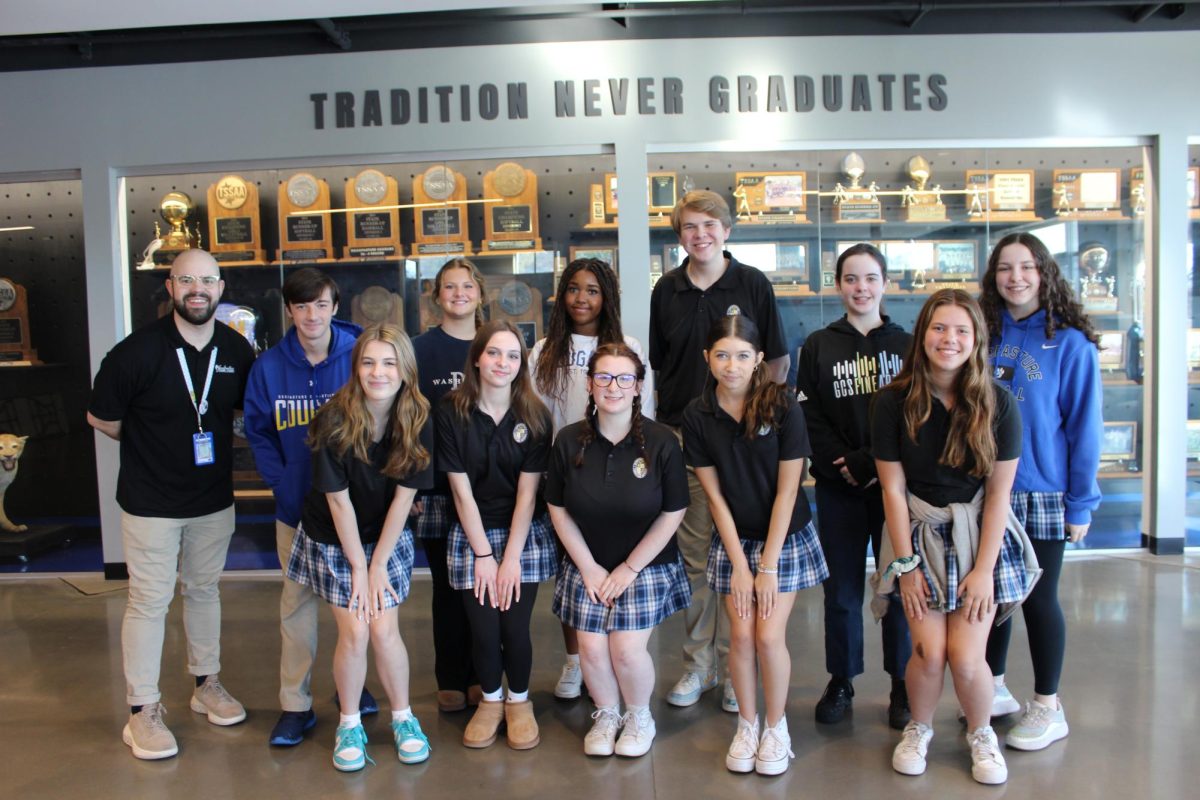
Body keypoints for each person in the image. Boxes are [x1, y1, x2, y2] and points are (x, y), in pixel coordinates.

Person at [87, 249, 256, 760]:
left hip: (211, 500)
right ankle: (142, 712)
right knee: (149, 602)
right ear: (170, 287)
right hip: (150, 503)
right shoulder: (133, 353)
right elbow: (103, 419)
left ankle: (207, 685)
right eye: (187, 280)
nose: (197, 289)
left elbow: (243, 414)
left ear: (221, 288)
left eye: (207, 280)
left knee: (204, 591)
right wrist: (151, 446)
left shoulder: (237, 350)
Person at [870, 288, 1039, 786]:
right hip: (917, 534)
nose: (949, 339)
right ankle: (918, 729)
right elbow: (892, 489)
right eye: (939, 328)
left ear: (977, 339)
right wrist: (905, 568)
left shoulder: (999, 403)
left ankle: (981, 733)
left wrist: (983, 571)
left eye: (961, 330)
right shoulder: (892, 401)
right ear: (922, 335)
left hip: (976, 536)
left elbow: (999, 495)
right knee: (929, 651)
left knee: (967, 657)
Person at [649, 189, 789, 712]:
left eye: (710, 225)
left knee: (740, 555)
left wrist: (761, 420)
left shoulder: (751, 283)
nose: (700, 235)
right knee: (694, 556)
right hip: (687, 438)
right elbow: (663, 367)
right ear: (679, 234)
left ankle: (736, 666)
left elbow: (775, 360)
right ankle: (698, 665)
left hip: (743, 439)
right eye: (689, 227)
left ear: (727, 230)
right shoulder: (667, 288)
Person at [285, 323, 433, 771]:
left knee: (385, 629)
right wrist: (359, 569)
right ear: (356, 368)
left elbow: (405, 500)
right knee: (355, 630)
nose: (378, 372)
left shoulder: (420, 419)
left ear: (405, 369)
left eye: (389, 363)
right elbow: (337, 501)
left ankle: (404, 718)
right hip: (335, 536)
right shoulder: (334, 418)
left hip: (387, 534)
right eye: (368, 362)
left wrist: (378, 565)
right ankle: (349, 723)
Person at [684, 316, 828, 776]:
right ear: (707, 359)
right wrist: (740, 566)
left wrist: (765, 567)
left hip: (783, 538)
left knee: (767, 635)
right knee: (741, 636)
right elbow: (716, 498)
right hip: (734, 539)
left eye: (743, 355)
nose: (732, 365)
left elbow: (789, 491)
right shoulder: (697, 415)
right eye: (722, 355)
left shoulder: (784, 406)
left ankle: (776, 726)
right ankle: (747, 725)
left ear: (759, 360)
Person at [979, 232, 1102, 750]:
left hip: (1045, 493)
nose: (1016, 278)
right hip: (985, 491)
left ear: (1044, 272)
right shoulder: (981, 333)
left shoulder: (1070, 343)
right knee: (991, 599)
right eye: (1005, 268)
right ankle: (994, 688)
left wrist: (1081, 503)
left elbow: (1084, 429)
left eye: (1026, 267)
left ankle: (1049, 706)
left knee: (1038, 600)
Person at [243, 267, 370, 747]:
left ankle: (352, 690)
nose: (311, 315)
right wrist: (280, 483)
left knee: (355, 608)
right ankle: (295, 705)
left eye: (321, 304)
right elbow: (257, 430)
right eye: (301, 306)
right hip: (296, 510)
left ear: (335, 307)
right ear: (290, 311)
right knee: (296, 607)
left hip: (355, 511)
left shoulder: (359, 355)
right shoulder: (270, 367)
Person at [545, 342, 690, 758]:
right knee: (590, 647)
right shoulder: (569, 441)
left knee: (624, 649)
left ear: (638, 387)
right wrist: (587, 566)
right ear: (590, 385)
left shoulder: (663, 442)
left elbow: (673, 510)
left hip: (645, 564)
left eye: (624, 378)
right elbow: (557, 507)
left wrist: (629, 568)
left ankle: (639, 715)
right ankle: (607, 714)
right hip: (586, 562)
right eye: (604, 377)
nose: (613, 386)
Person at [795, 243, 913, 729]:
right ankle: (841, 679)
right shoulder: (820, 344)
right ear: (838, 284)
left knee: (902, 588)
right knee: (840, 591)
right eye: (850, 278)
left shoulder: (907, 345)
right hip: (837, 489)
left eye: (869, 278)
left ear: (885, 283)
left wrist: (869, 461)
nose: (860, 288)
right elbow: (808, 412)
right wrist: (841, 465)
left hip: (894, 492)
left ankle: (903, 684)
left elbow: (913, 414)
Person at [530, 257, 655, 700]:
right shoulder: (544, 350)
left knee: (621, 566)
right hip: (568, 478)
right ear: (561, 295)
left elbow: (646, 413)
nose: (582, 298)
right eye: (574, 289)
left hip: (621, 478)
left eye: (593, 290)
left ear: (607, 298)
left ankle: (624, 652)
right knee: (574, 572)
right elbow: (537, 420)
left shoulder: (628, 346)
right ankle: (575, 660)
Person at [438, 320, 556, 750]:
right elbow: (460, 490)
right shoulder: (450, 411)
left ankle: (519, 702)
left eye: (512, 355)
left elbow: (528, 495)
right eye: (493, 353)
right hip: (473, 535)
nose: (502, 363)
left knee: (515, 627)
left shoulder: (535, 415)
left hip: (522, 534)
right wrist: (485, 555)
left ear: (521, 364)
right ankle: (490, 701)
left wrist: (510, 559)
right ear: (476, 358)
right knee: (484, 628)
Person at [410, 258, 487, 713]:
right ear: (437, 296)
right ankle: (451, 676)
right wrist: (416, 486)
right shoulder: (419, 350)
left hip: (488, 489)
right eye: (449, 287)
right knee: (447, 587)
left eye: (467, 286)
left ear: (479, 292)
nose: (459, 294)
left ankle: (484, 674)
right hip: (438, 488)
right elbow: (409, 421)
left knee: (484, 586)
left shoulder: (496, 344)